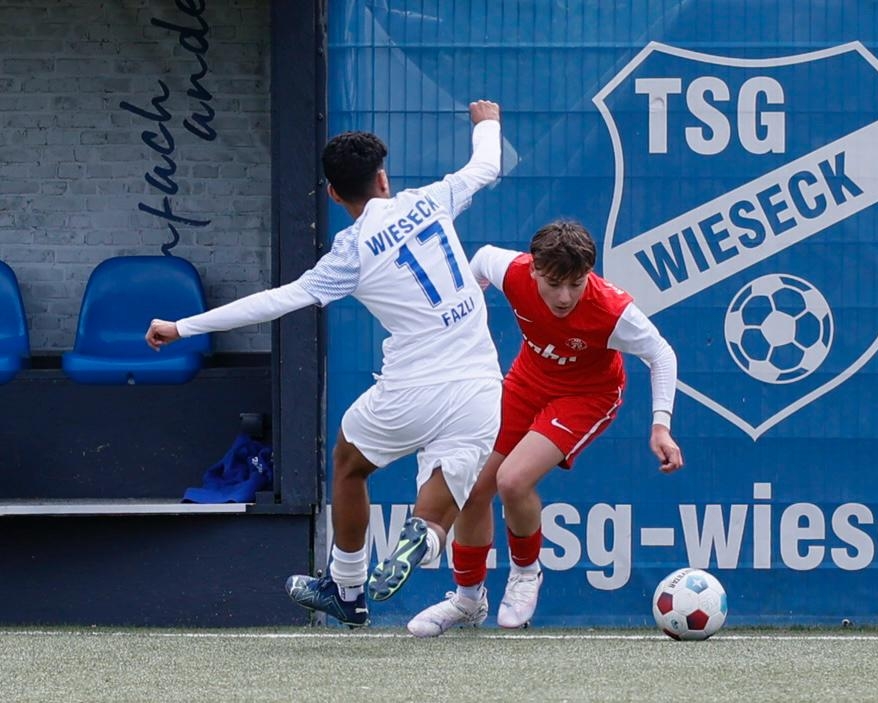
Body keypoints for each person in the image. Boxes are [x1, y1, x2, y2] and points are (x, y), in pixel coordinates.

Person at [145, 100, 506, 628]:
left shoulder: (351, 252)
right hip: (480, 385)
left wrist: (182, 326)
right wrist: (487, 122)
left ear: (334, 195)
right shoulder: (432, 199)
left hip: (410, 389)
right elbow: (487, 166)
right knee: (442, 492)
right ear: (383, 178)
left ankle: (347, 588)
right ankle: (426, 537)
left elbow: (277, 300)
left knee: (349, 461)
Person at [407, 220, 684, 637]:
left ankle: (525, 573)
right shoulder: (513, 271)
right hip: (526, 382)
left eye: (576, 283)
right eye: (554, 284)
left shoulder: (612, 310)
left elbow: (661, 354)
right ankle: (468, 600)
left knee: (512, 480)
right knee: (473, 487)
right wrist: (466, 308)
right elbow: (480, 261)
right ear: (534, 269)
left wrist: (660, 426)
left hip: (587, 396)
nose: (565, 296)